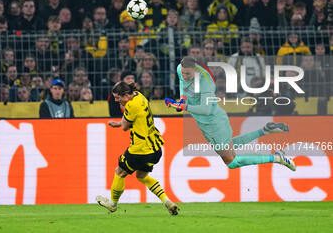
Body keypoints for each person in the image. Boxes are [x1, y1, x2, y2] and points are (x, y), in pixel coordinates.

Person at [164, 56, 296, 171]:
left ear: (196, 70)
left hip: (212, 124)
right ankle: (264, 131)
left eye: (188, 74)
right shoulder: (180, 68)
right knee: (229, 145)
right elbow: (182, 82)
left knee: (232, 161)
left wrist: (183, 106)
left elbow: (206, 110)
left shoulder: (206, 83)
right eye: (183, 72)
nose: (185, 76)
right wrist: (183, 98)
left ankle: (277, 158)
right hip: (216, 119)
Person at [96, 81, 179, 215]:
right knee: (141, 176)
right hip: (155, 148)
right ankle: (167, 202)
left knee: (119, 172)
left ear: (126, 95)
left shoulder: (131, 105)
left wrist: (119, 123)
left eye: (118, 98)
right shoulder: (140, 96)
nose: (117, 101)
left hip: (140, 149)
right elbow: (131, 121)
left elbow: (124, 127)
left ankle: (113, 204)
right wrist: (119, 123)